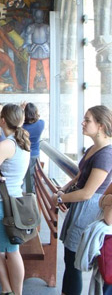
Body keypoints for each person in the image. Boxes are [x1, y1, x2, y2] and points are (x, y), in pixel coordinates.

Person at [51, 105, 112, 295]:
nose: (82, 123)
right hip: (81, 206)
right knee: (70, 259)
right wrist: (64, 189)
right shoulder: (95, 147)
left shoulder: (106, 154)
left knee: (74, 261)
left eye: (87, 120)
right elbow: (80, 175)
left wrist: (61, 197)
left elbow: (88, 192)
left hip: (89, 209)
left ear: (101, 125)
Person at [0, 103, 31, 295]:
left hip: (3, 203)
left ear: (2, 120)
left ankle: (16, 293)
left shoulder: (5, 144)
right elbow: (2, 170)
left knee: (12, 250)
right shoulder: (22, 141)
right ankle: (6, 287)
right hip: (12, 198)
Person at [22, 102, 45, 192]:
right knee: (32, 178)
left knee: (22, 177)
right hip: (35, 154)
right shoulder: (41, 124)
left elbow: (18, 121)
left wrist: (21, 110)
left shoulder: (22, 127)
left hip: (23, 154)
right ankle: (31, 196)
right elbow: (39, 119)